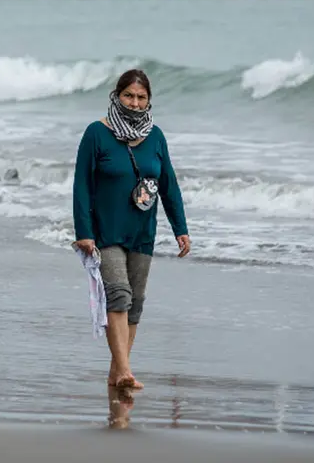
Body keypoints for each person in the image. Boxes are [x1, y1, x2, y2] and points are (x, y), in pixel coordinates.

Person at [72, 68, 190, 390]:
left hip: (142, 231)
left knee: (135, 302)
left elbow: (169, 186)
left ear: (148, 100)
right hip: (105, 231)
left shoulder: (156, 137)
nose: (135, 103)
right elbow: (81, 185)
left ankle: (116, 373)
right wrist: (84, 230)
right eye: (129, 96)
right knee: (119, 295)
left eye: (141, 97)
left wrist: (181, 228)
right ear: (117, 95)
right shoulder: (96, 133)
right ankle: (125, 370)